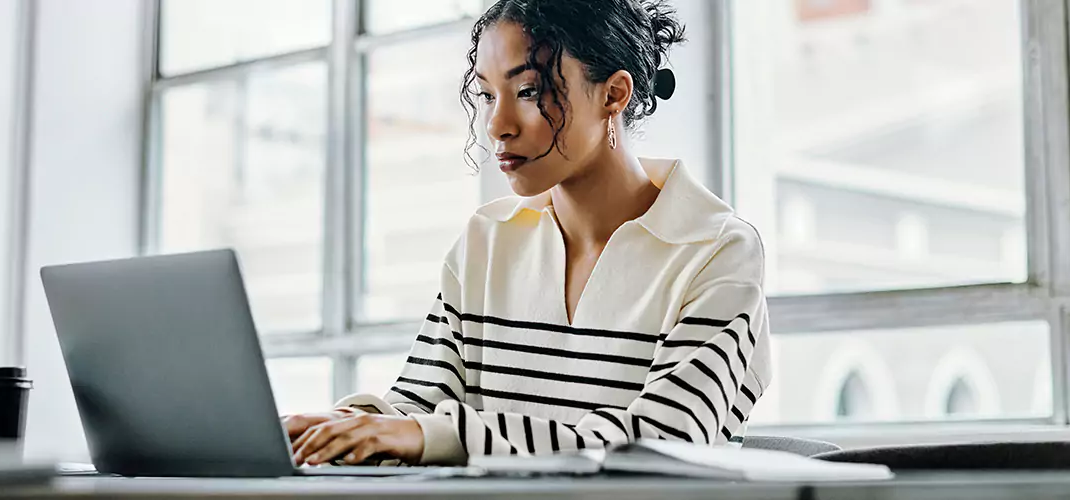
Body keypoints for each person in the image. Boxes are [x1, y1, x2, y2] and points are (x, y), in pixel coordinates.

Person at [283, 0, 772, 467]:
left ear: (613, 94)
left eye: (528, 91)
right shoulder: (488, 240)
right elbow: (417, 409)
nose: (497, 125)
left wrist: (437, 435)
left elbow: (667, 442)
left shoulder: (717, 252)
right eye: (487, 95)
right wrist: (333, 425)